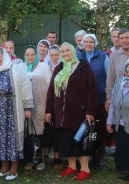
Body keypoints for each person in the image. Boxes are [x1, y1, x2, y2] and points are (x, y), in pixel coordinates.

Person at [45, 43, 98, 181]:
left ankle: (85, 169)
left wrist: (90, 110)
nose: (65, 53)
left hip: (79, 113)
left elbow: (91, 90)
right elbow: (51, 91)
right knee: (66, 140)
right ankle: (72, 166)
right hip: (62, 114)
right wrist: (49, 110)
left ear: (73, 51)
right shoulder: (59, 68)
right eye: (62, 51)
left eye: (68, 50)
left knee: (80, 140)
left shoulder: (83, 67)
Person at [0, 48, 33, 181]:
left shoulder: (16, 70)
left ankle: (14, 168)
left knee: (12, 139)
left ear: (4, 57)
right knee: (0, 140)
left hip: (12, 113)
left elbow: (26, 88)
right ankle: (4, 167)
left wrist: (28, 108)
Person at [80, 34, 109, 169]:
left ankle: (98, 158)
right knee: (84, 129)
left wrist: (108, 97)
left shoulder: (103, 56)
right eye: (86, 41)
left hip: (100, 98)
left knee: (99, 129)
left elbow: (109, 77)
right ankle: (84, 156)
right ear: (82, 43)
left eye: (91, 42)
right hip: (82, 100)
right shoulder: (79, 57)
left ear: (95, 43)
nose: (88, 44)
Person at [25, 42, 52, 171]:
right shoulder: (21, 67)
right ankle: (31, 160)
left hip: (41, 105)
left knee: (39, 134)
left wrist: (49, 107)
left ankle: (41, 160)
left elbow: (50, 86)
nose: (30, 57)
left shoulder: (44, 67)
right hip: (26, 107)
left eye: (32, 54)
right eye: (27, 55)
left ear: (36, 55)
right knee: (28, 134)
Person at [47, 45, 62, 169]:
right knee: (54, 129)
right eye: (52, 55)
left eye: (57, 55)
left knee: (61, 130)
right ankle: (54, 154)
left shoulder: (65, 67)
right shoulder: (45, 68)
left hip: (63, 103)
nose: (54, 57)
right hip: (51, 102)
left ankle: (60, 155)